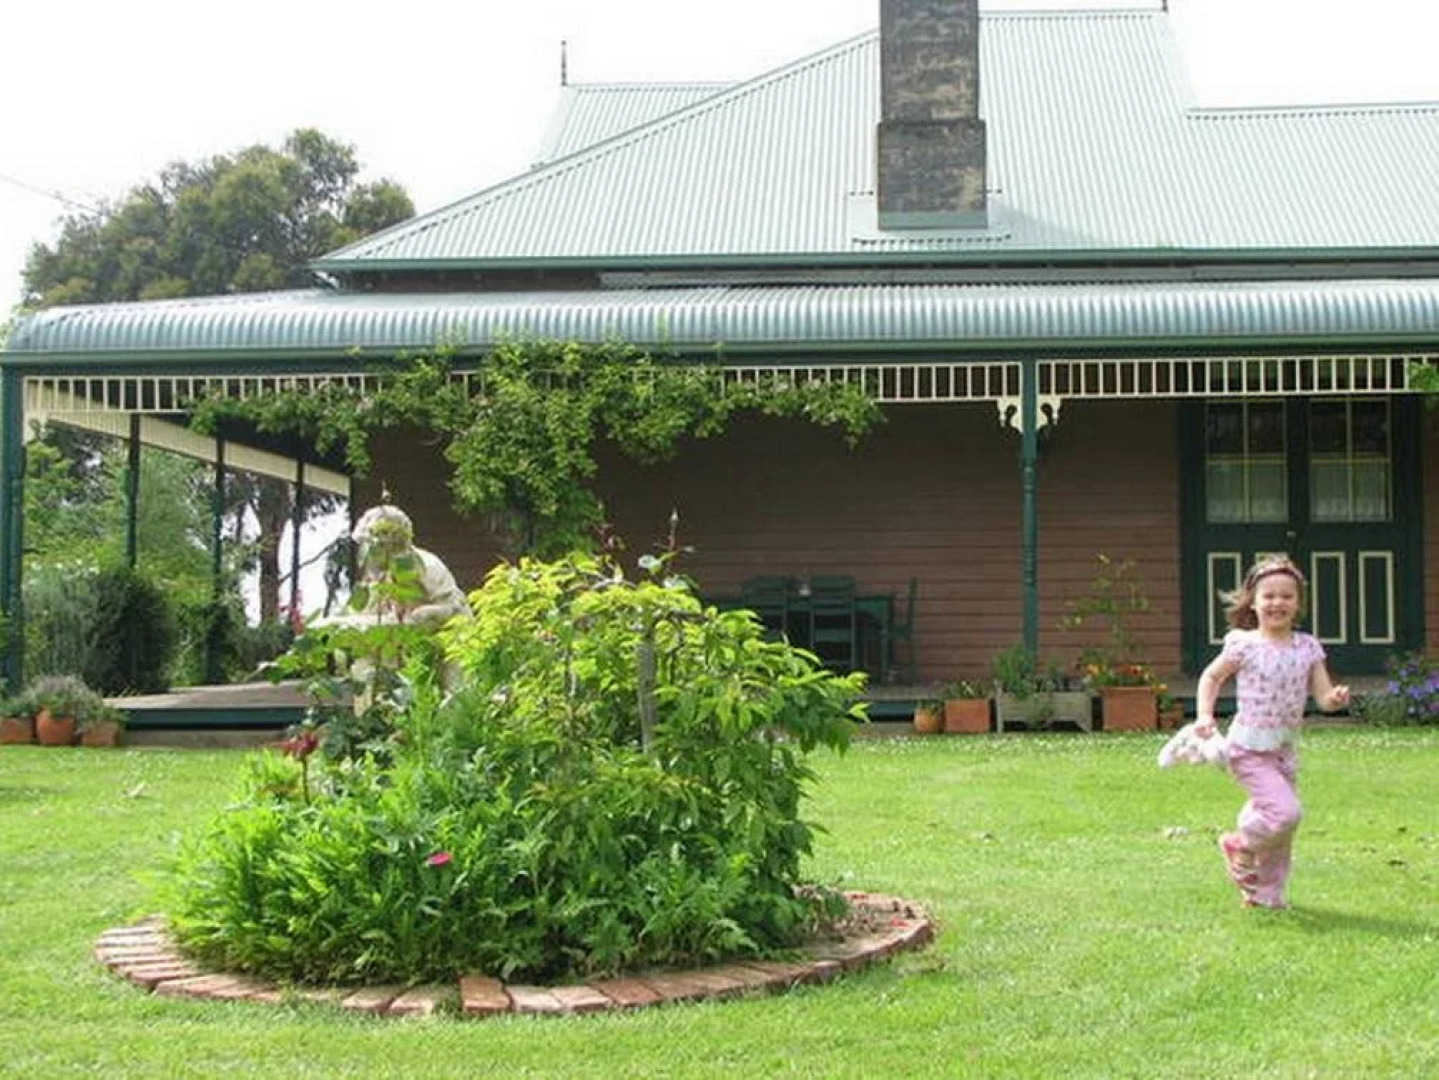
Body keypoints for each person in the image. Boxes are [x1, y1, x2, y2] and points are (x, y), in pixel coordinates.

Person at [1193, 555, 1349, 910]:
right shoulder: (1244, 645)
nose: (1277, 603)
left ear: (1298, 604)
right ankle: (1241, 844)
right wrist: (1204, 715)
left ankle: (1265, 895)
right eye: (1269, 596)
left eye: (1287, 596)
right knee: (1285, 814)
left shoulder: (1308, 647)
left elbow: (1322, 695)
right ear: (1253, 601)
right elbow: (1212, 677)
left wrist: (1334, 699)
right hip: (1248, 748)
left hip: (1283, 750)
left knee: (1281, 830)